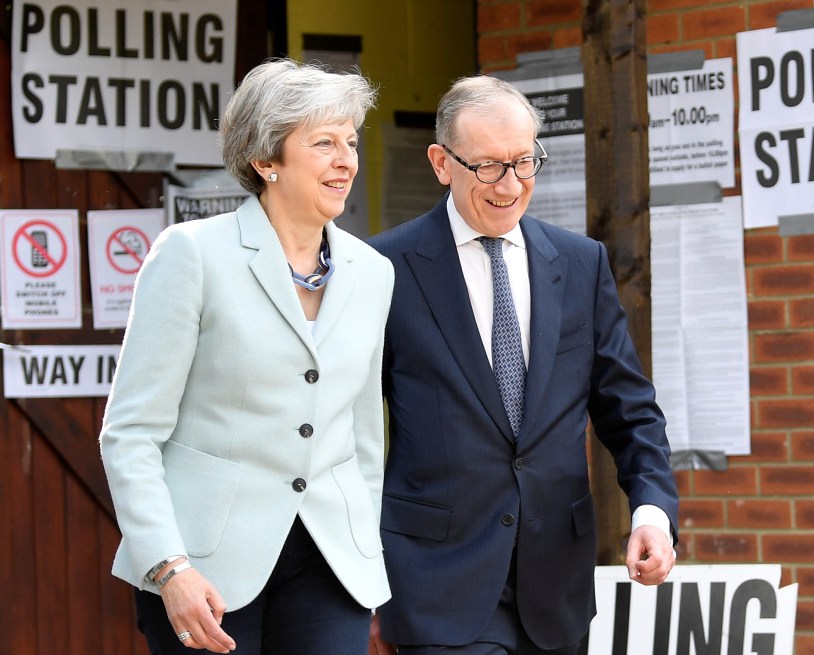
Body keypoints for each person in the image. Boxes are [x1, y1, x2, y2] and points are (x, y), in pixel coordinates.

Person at [366, 75, 679, 655]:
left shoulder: (582, 264)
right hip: (436, 585)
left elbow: (629, 409)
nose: (509, 185)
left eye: (524, 162)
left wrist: (652, 513)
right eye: (487, 166)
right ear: (441, 163)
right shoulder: (383, 268)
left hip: (556, 583)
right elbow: (348, 427)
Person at [100, 58, 393, 654]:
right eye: (323, 143)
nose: (347, 160)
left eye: (351, 142)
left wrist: (369, 557)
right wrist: (169, 567)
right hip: (204, 569)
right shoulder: (191, 255)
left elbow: (364, 436)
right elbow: (130, 433)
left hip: (332, 564)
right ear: (266, 161)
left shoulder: (374, 272)